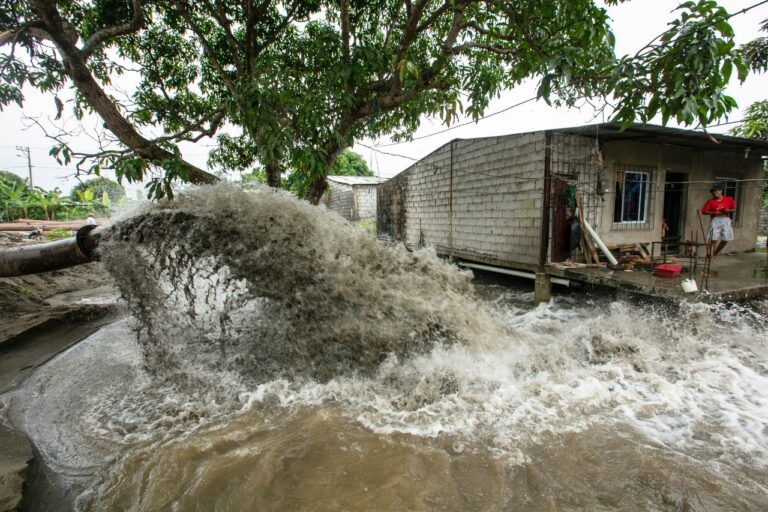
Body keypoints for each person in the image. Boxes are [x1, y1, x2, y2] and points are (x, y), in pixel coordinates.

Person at [701, 182, 736, 261]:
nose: (715, 193)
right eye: (713, 192)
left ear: (721, 191)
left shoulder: (729, 199)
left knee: (726, 239)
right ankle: (712, 257)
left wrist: (728, 210)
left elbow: (734, 209)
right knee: (713, 239)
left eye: (716, 191)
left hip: (726, 220)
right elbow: (704, 211)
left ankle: (715, 253)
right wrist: (714, 212)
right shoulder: (710, 201)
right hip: (716, 219)